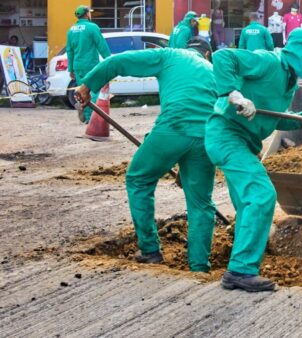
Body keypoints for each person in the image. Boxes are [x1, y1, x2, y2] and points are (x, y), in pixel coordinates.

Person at [74, 39, 218, 272]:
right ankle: (199, 266)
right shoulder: (213, 72)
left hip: (173, 127)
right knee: (201, 203)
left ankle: (150, 250)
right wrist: (186, 169)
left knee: (138, 179)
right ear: (207, 55)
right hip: (206, 138)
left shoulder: (170, 55)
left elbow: (117, 62)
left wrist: (88, 84)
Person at [205, 28, 302, 292]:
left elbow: (276, 116)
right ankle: (240, 271)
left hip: (244, 144)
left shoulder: (289, 81)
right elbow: (222, 57)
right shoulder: (269, 61)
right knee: (262, 195)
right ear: (298, 49)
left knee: (247, 205)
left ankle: (242, 259)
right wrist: (234, 94)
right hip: (227, 136)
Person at [66, 5, 111, 124]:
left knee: (82, 91)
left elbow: (69, 51)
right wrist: (109, 60)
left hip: (78, 66)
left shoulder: (71, 30)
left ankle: (86, 117)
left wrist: (70, 69)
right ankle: (93, 118)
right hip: (91, 64)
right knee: (95, 90)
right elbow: (101, 45)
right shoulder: (92, 27)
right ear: (86, 14)